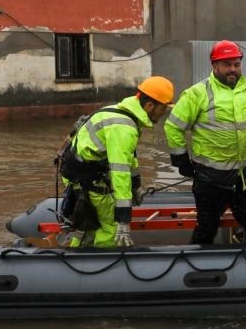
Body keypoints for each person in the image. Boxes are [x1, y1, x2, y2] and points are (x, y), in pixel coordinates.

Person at [164, 40, 246, 244]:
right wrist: (181, 160)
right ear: (214, 65)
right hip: (211, 178)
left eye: (236, 64)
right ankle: (199, 269)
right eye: (227, 64)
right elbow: (173, 126)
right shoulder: (197, 93)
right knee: (206, 228)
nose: (232, 69)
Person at [62, 76, 174, 248]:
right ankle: (103, 265)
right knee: (110, 228)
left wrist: (136, 185)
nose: (163, 113)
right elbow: (119, 173)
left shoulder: (123, 113)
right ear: (150, 105)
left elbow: (129, 158)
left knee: (88, 224)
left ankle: (77, 254)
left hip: (79, 174)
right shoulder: (124, 128)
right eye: (163, 108)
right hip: (88, 179)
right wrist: (123, 220)